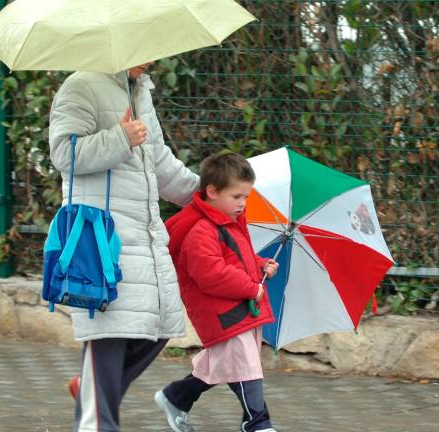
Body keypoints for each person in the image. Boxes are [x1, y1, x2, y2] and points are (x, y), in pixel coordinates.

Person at [48, 62, 200, 432]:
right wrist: (119, 137)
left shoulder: (139, 90)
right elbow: (64, 155)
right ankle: (95, 412)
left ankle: (92, 392)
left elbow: (161, 164)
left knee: (160, 327)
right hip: (102, 240)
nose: (150, 56)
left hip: (143, 236)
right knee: (109, 336)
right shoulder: (81, 84)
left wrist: (209, 196)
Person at [155, 152, 280, 432]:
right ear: (212, 191)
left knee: (222, 364)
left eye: (246, 197)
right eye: (237, 196)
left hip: (236, 311)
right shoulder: (202, 230)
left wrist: (261, 266)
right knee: (245, 365)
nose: (243, 203)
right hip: (222, 314)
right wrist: (251, 287)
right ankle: (257, 422)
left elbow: (237, 261)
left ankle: (176, 396)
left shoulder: (229, 224)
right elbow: (211, 274)